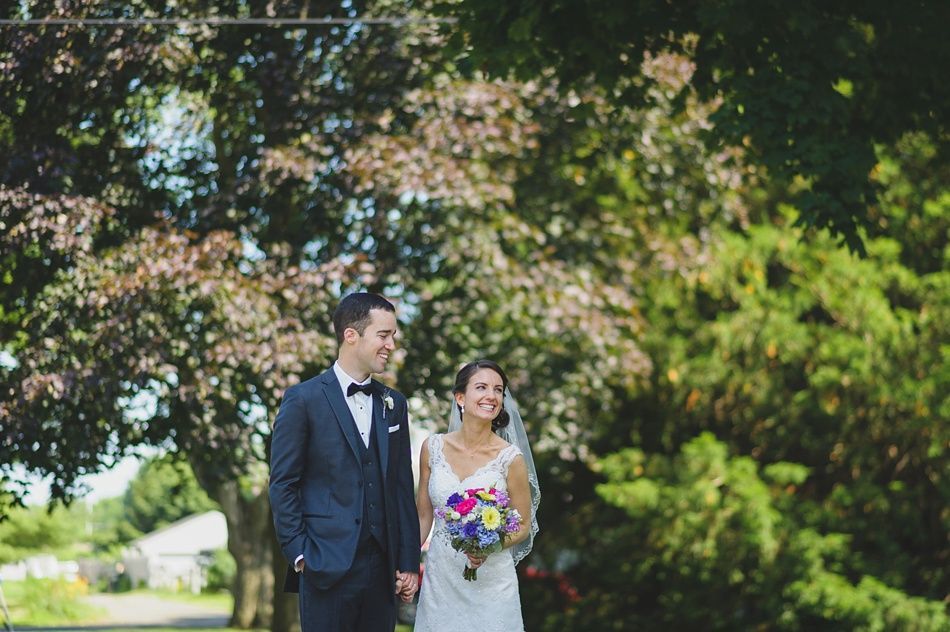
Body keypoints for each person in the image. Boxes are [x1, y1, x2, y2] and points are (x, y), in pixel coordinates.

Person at [269, 292, 421, 632]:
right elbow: (283, 483)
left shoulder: (394, 404)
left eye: (393, 336)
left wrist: (409, 561)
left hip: (383, 572)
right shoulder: (303, 399)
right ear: (351, 335)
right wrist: (300, 554)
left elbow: (400, 488)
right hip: (324, 564)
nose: (391, 345)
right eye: (384, 335)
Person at [413, 359, 541, 631]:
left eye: (498, 390)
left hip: (492, 582)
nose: (491, 396)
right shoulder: (432, 448)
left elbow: (522, 524)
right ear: (460, 397)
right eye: (481, 387)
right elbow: (424, 515)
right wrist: (405, 562)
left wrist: (487, 546)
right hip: (441, 579)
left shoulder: (511, 458)